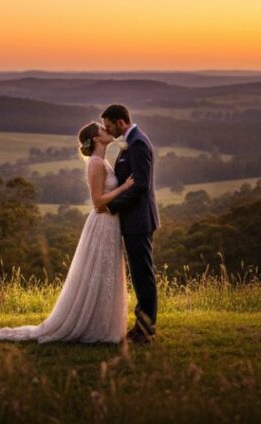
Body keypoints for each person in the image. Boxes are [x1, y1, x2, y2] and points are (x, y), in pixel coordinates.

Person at [0, 121, 133, 343]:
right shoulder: (95, 164)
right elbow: (97, 203)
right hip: (102, 222)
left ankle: (104, 325)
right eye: (103, 130)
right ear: (96, 139)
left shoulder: (103, 161)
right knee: (97, 274)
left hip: (110, 224)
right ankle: (91, 325)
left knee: (105, 275)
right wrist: (124, 187)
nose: (108, 131)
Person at [101, 104, 160, 344]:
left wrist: (112, 206)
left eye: (109, 126)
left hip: (139, 220)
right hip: (133, 220)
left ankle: (146, 331)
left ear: (121, 122)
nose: (108, 130)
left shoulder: (137, 143)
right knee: (138, 275)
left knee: (143, 275)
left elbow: (141, 185)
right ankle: (141, 326)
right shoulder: (132, 140)